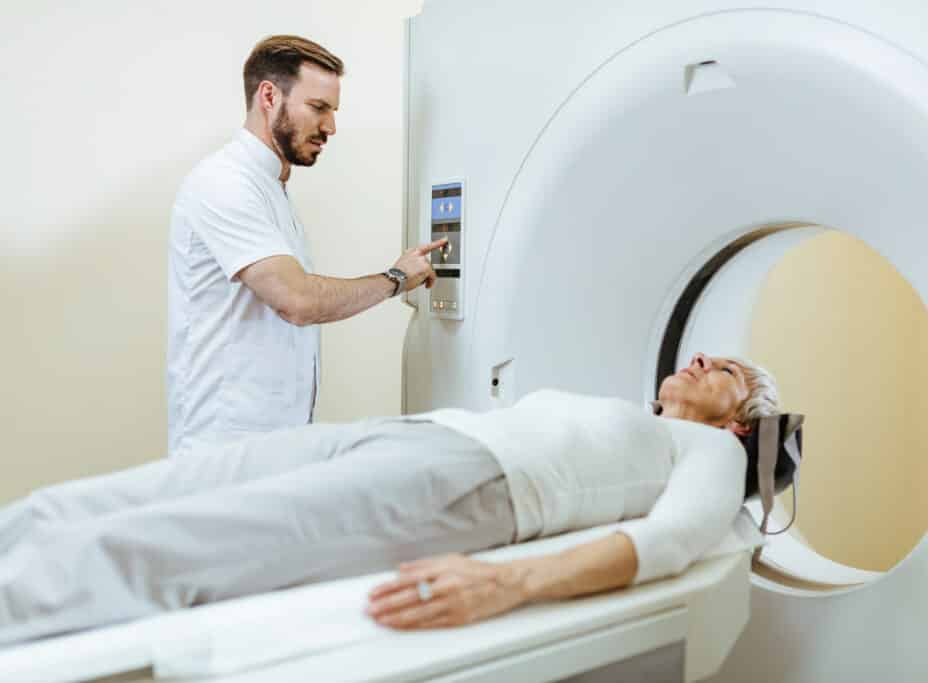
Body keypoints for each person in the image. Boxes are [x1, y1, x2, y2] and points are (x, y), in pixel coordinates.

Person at [0, 353, 783, 645]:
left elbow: (676, 539)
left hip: (462, 486)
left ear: (738, 422)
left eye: (730, 372)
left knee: (194, 535)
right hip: (408, 434)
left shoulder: (710, 451)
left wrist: (504, 582)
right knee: (148, 489)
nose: (704, 356)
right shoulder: (632, 414)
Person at [167, 34, 446, 456]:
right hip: (224, 454)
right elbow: (297, 300)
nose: (330, 127)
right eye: (318, 108)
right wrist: (395, 279)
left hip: (274, 446)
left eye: (333, 111)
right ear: (269, 96)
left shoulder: (271, 190)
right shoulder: (224, 183)